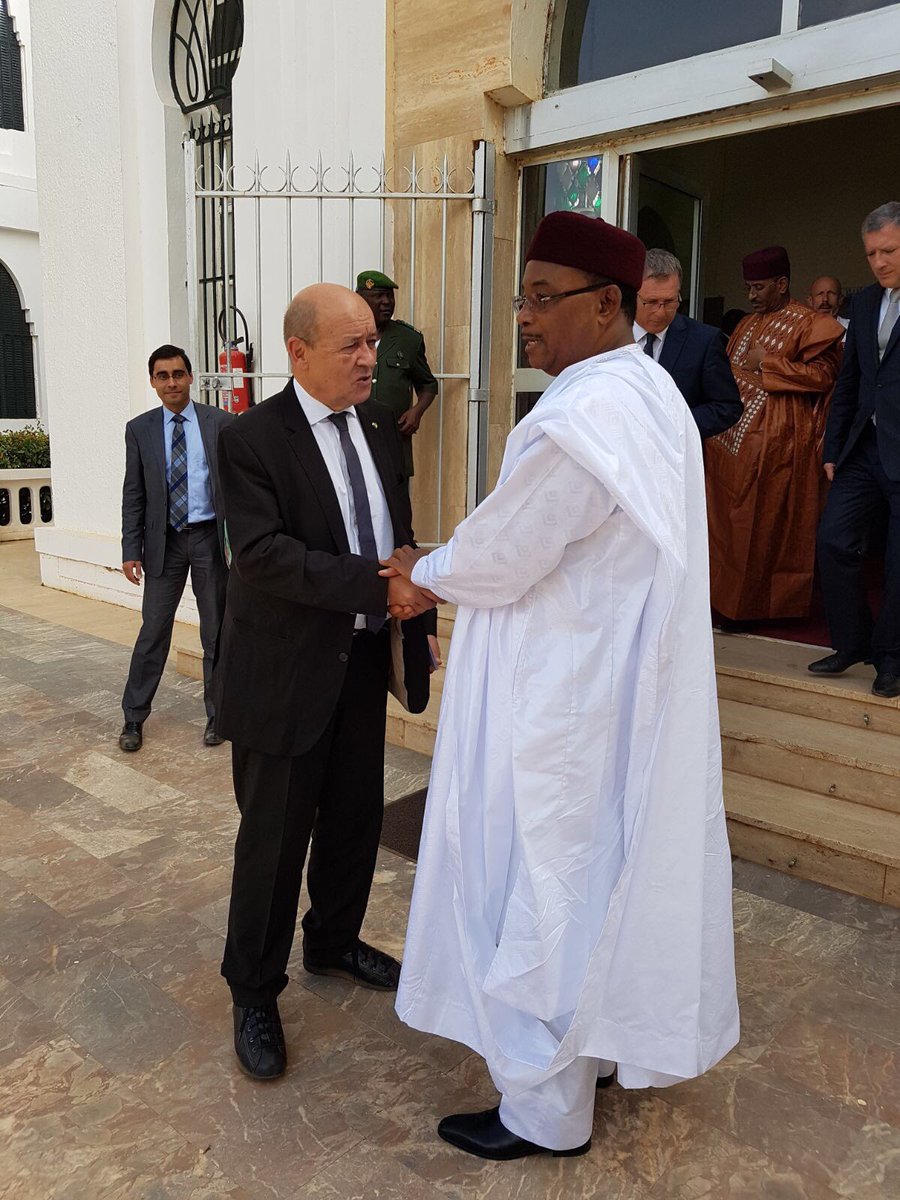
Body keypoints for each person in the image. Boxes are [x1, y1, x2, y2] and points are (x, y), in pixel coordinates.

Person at [385, 211, 739, 1161]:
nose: (525, 317)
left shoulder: (589, 416)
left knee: (542, 880)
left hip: (560, 695)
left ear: (608, 303)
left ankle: (544, 1109)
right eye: (523, 297)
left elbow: (510, 550)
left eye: (545, 298)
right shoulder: (645, 391)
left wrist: (424, 568)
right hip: (606, 682)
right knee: (599, 871)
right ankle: (599, 1046)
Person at [213, 283, 434, 1081]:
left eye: (373, 341)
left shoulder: (378, 425)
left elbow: (395, 531)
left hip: (362, 663)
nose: (371, 358)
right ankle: (253, 991)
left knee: (353, 819)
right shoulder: (250, 440)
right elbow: (262, 555)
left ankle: (334, 941)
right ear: (298, 353)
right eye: (353, 346)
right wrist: (379, 586)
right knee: (273, 842)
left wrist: (413, 603)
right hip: (282, 674)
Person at [705, 246, 845, 623]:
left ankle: (758, 608)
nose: (751, 295)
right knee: (725, 522)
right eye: (748, 288)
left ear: (782, 284)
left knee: (761, 524)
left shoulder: (810, 324)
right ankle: (720, 599)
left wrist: (768, 363)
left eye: (759, 287)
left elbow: (825, 377)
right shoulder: (746, 324)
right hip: (728, 441)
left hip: (778, 442)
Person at [119, 344, 232, 752]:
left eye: (178, 374)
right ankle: (133, 716)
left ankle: (219, 715)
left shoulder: (220, 423)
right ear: (153, 381)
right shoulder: (140, 429)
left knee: (216, 632)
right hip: (162, 543)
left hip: (208, 540)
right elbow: (134, 493)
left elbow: (238, 486)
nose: (172, 382)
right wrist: (130, 548)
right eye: (163, 376)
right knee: (153, 631)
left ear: (191, 377)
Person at [811, 202, 900, 697]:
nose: (879, 262)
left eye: (889, 251)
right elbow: (849, 381)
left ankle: (892, 659)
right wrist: (833, 446)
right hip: (862, 449)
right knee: (834, 541)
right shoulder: (864, 303)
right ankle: (852, 643)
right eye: (871, 254)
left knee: (897, 565)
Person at [634, 248, 742, 439]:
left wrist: (674, 425)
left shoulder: (703, 340)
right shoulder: (606, 336)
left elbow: (727, 407)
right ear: (632, 295)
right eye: (651, 302)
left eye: (669, 302)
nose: (660, 312)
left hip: (678, 451)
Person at [356, 270, 438, 478]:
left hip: (393, 440)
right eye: (378, 296)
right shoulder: (345, 335)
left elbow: (428, 385)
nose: (386, 302)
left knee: (395, 496)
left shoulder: (407, 339)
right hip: (354, 435)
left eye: (389, 296)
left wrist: (417, 411)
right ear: (360, 299)